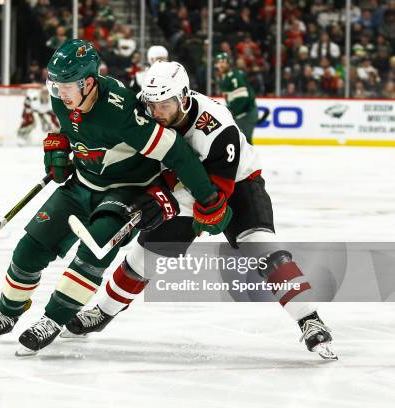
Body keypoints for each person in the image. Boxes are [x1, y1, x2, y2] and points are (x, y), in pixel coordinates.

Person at [0, 39, 232, 355]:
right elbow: (72, 130)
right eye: (55, 84)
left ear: (88, 82)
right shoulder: (61, 98)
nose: (58, 92)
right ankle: (7, 313)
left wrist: (209, 199)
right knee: (30, 247)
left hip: (126, 191)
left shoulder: (121, 112)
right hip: (82, 184)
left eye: (65, 85)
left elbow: (177, 153)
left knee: (94, 250)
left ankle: (53, 319)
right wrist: (59, 145)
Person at [66, 61, 337, 360]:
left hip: (236, 185)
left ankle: (309, 318)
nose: (157, 113)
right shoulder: (148, 109)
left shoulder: (217, 128)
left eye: (165, 105)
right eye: (152, 104)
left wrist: (164, 201)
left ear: (183, 98)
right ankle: (103, 312)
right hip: (178, 185)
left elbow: (214, 201)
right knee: (145, 257)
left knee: (262, 248)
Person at [215, 52, 258, 144]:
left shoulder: (234, 76)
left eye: (223, 62)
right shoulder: (225, 77)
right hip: (241, 114)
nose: (221, 64)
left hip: (246, 113)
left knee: (244, 143)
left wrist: (232, 111)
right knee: (237, 142)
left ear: (229, 63)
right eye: (219, 62)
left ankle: (249, 159)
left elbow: (242, 98)